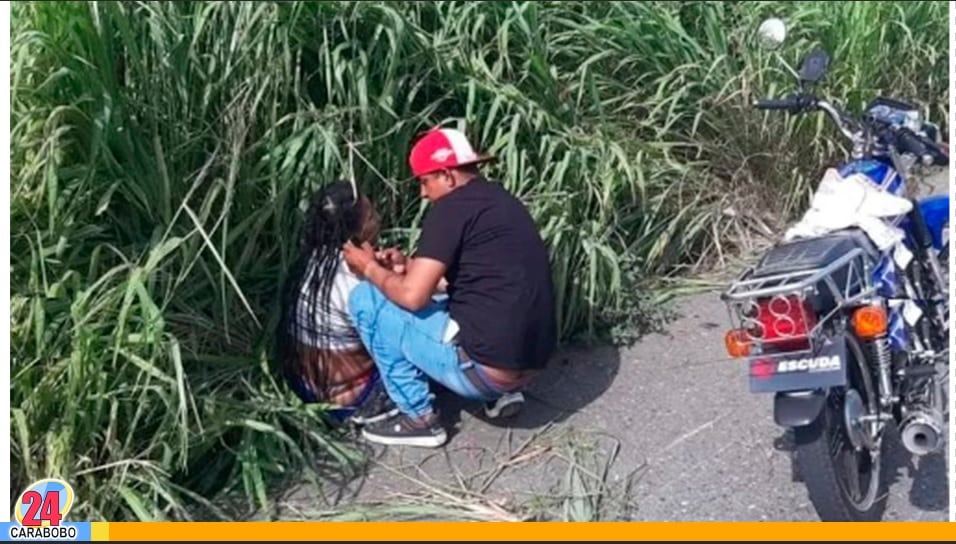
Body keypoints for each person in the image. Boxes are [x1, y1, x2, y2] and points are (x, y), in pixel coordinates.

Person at [342, 127, 558, 448]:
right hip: (530, 362)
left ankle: (418, 419)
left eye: (424, 181)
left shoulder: (450, 209)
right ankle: (503, 393)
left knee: (366, 299)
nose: (423, 194)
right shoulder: (499, 200)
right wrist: (405, 266)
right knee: (440, 299)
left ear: (446, 176)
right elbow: (458, 280)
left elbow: (414, 298)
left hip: (485, 371)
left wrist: (368, 267)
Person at [274, 180, 400, 426]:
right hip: (353, 399)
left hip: (307, 389)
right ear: (355, 231)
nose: (378, 218)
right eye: (372, 215)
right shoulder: (358, 285)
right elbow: (396, 342)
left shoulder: (308, 263)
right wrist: (394, 277)